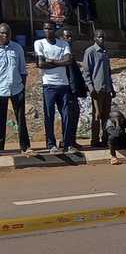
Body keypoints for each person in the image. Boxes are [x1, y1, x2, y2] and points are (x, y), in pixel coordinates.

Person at [35, 22, 73, 154]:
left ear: (54, 29)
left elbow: (68, 61)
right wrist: (59, 63)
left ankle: (67, 144)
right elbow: (40, 64)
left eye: (50, 28)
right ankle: (51, 144)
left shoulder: (63, 44)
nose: (47, 30)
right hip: (49, 85)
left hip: (64, 84)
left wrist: (51, 61)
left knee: (67, 115)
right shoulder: (39, 43)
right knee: (49, 115)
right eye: (45, 28)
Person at [0, 23, 31, 155]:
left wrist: (22, 87)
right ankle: (0, 148)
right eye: (2, 33)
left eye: (7, 33)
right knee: (0, 120)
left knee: (21, 119)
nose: (5, 35)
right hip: (0, 89)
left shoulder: (17, 48)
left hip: (17, 88)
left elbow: (23, 70)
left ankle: (25, 147)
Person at [82, 30, 115, 148]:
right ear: (95, 38)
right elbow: (86, 72)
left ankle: (105, 139)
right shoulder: (90, 52)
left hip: (106, 89)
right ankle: (95, 140)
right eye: (99, 37)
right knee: (97, 115)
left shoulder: (105, 52)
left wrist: (112, 88)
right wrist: (91, 88)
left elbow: (108, 72)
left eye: (103, 37)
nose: (101, 39)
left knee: (107, 116)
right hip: (97, 90)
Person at [60, 29, 88, 149]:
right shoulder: (62, 55)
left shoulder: (71, 55)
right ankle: (66, 141)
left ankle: (72, 140)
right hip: (66, 91)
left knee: (74, 115)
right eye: (66, 37)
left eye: (70, 37)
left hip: (74, 91)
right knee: (68, 116)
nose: (69, 39)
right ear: (62, 38)